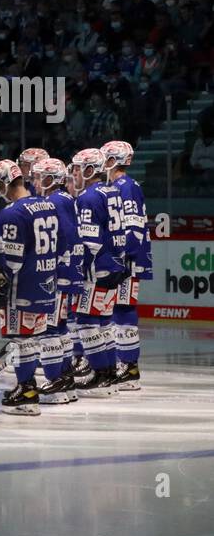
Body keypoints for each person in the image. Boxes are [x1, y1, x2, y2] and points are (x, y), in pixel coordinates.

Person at [0, 160, 58, 416]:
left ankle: (26, 390)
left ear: (5, 183)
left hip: (21, 287)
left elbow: (12, 260)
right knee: (33, 337)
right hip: (44, 280)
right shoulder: (46, 205)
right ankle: (28, 388)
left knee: (21, 339)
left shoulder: (11, 213)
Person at [70, 147, 127, 397]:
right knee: (104, 322)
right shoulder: (112, 191)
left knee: (86, 321)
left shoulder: (88, 197)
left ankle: (101, 372)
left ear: (90, 170)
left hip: (97, 268)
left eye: (76, 168)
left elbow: (89, 242)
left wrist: (77, 269)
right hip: (115, 264)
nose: (73, 173)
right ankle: (110, 372)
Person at [29, 157, 81, 404]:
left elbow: (65, 238)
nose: (36, 182)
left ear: (51, 179)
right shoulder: (65, 199)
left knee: (51, 328)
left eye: (39, 177)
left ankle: (55, 383)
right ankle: (65, 380)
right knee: (60, 327)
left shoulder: (54, 201)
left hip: (57, 275)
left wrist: (54, 266)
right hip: (66, 272)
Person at [102, 140, 148, 390]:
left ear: (113, 161)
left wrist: (124, 256)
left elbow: (132, 226)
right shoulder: (117, 186)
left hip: (126, 261)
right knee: (116, 309)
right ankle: (124, 363)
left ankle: (129, 366)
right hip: (120, 258)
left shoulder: (125, 187)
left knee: (123, 308)